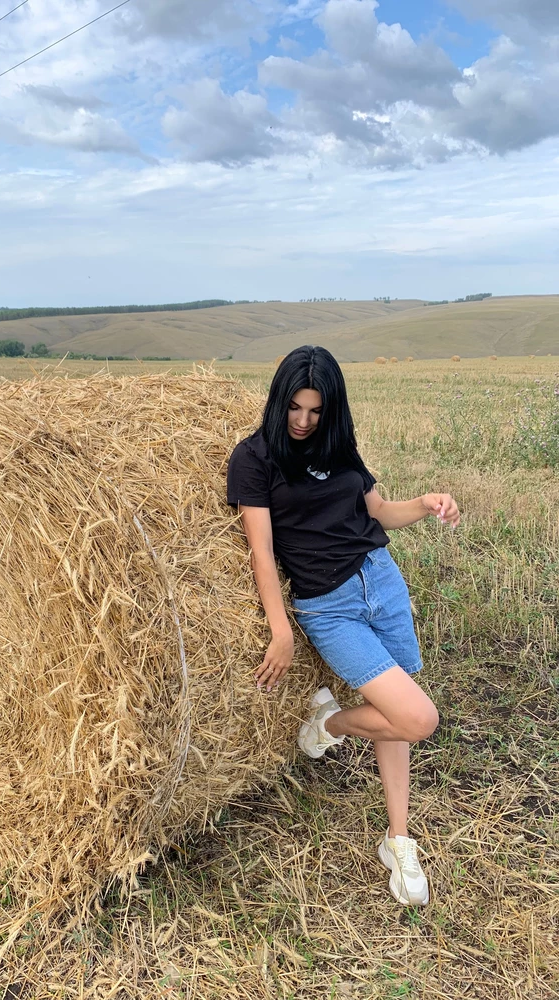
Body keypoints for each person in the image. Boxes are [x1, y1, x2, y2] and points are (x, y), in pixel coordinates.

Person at [226, 345, 460, 907]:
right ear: (279, 401)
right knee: (416, 716)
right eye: (295, 409)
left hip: (380, 582)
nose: (304, 422)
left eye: (316, 411)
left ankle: (397, 838)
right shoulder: (254, 458)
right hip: (328, 606)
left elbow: (379, 513)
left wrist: (425, 504)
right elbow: (261, 550)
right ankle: (329, 726)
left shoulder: (340, 447)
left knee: (397, 714)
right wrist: (281, 630)